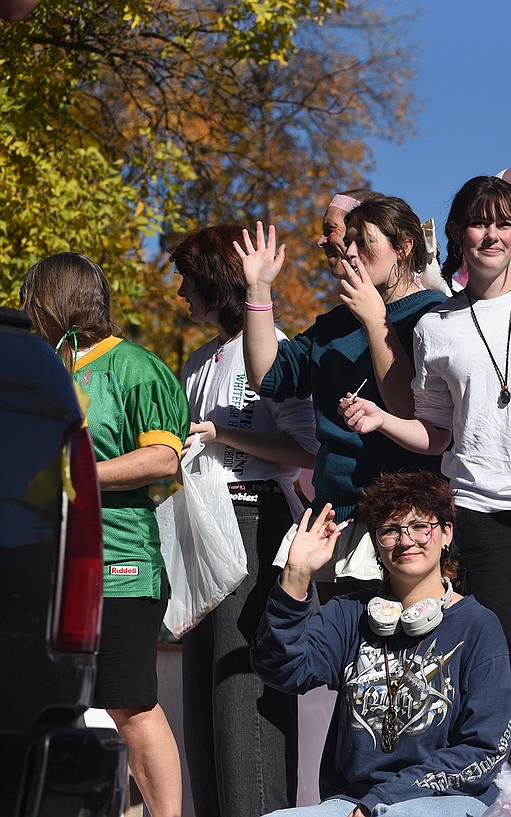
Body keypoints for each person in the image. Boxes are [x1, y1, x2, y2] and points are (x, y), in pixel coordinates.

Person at [339, 176, 511, 755]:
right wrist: (381, 419)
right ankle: (508, 794)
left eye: (503, 223)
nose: (491, 234)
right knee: (498, 673)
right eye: (478, 222)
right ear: (457, 235)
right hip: (480, 514)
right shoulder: (434, 327)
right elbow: (436, 430)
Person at [22, 252, 189, 817]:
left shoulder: (135, 366)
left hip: (119, 560)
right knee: (57, 703)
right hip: (47, 567)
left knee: (131, 704)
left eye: (34, 297)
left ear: (56, 299)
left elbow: (164, 458)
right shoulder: (44, 370)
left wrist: (71, 473)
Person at [252, 470, 511, 817]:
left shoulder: (480, 626)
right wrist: (296, 575)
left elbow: (485, 748)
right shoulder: (349, 614)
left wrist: (382, 802)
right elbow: (280, 669)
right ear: (376, 542)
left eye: (420, 526)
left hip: (439, 801)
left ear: (446, 532)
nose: (406, 541)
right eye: (390, 530)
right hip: (351, 801)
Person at [170, 225, 320, 817]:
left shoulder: (271, 344)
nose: (181, 292)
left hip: (257, 520)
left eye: (187, 278)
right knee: (204, 692)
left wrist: (220, 432)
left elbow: (305, 449)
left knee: (245, 693)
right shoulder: (200, 359)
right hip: (202, 525)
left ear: (214, 280)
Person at [236, 193, 446, 591]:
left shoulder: (434, 314)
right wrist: (259, 289)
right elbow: (266, 377)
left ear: (403, 247)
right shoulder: (333, 324)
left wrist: (376, 320)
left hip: (405, 521)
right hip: (335, 517)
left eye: (362, 241)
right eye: (347, 240)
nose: (348, 252)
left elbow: (410, 410)